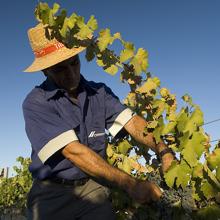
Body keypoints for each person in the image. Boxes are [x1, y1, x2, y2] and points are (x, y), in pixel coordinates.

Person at [22, 23, 174, 220]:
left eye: (74, 62)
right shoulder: (36, 103)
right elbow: (74, 152)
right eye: (60, 69)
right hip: (52, 194)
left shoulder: (99, 93)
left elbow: (132, 123)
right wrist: (132, 185)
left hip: (92, 187)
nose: (71, 73)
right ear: (45, 71)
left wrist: (163, 150)